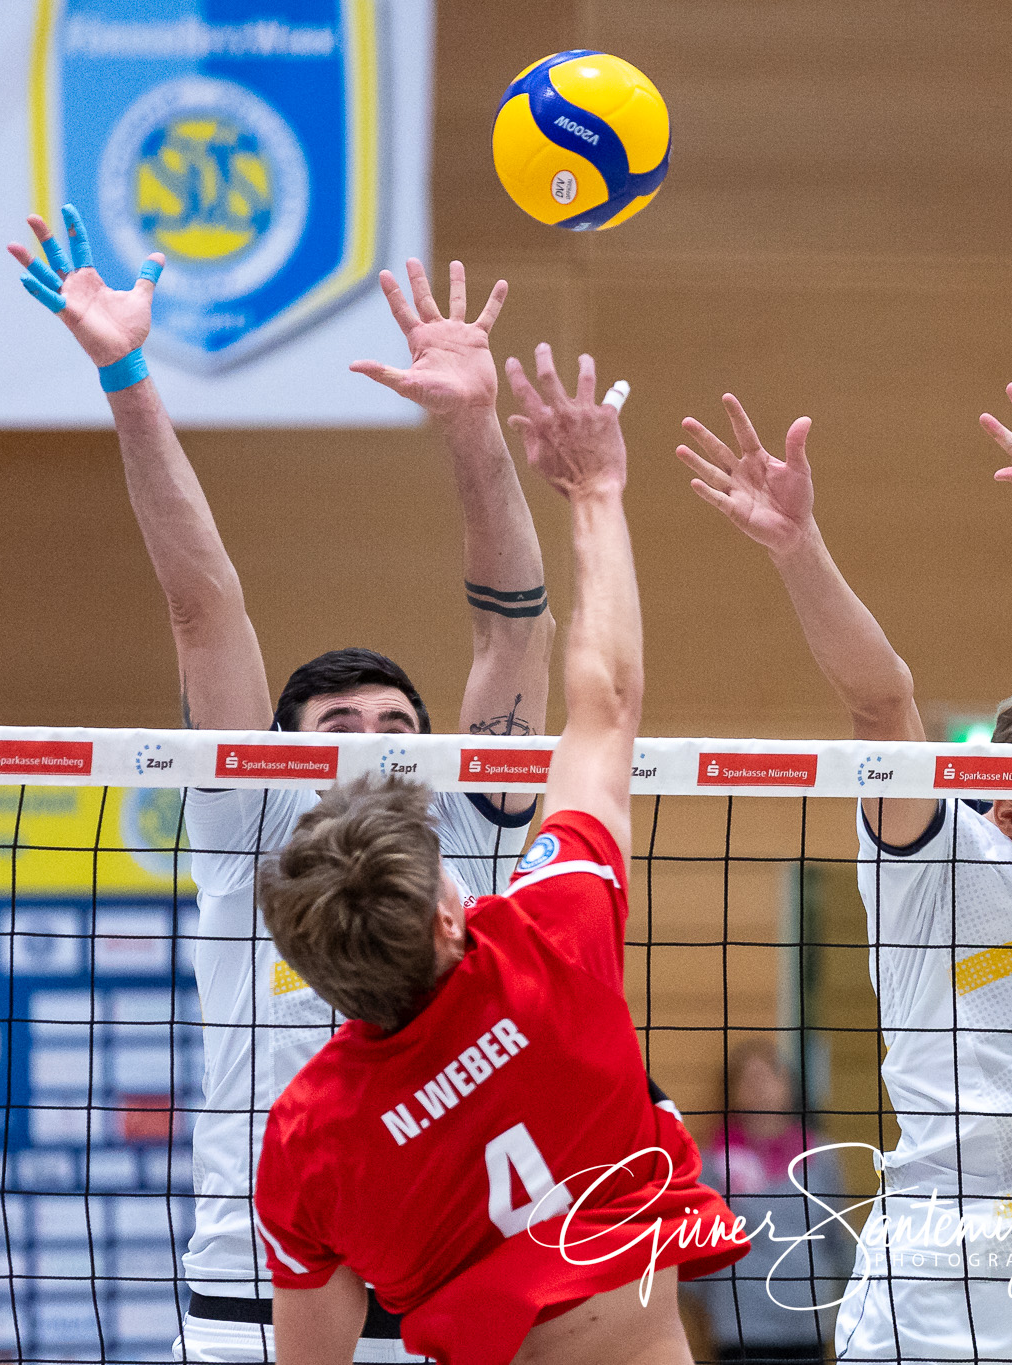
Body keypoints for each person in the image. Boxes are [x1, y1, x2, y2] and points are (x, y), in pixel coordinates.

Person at [9, 205, 554, 1360]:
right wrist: (129, 375)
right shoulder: (251, 817)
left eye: (398, 727)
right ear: (283, 748)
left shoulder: (471, 819)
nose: (371, 745)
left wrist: (472, 427)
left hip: (450, 1295)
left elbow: (512, 633)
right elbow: (202, 603)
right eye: (338, 726)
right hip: (250, 1297)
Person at [675, 379, 1012, 1362]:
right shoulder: (935, 864)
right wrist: (797, 548)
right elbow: (881, 700)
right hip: (940, 1290)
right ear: (1009, 816)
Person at [251, 344, 747, 1365]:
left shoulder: (307, 1135)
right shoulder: (547, 941)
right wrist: (595, 493)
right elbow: (604, 704)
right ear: (447, 912)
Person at [683, 1041, 847, 1364]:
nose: (760, 1087)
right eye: (749, 1079)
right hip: (739, 1330)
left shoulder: (820, 1156)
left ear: (788, 1085)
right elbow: (694, 1249)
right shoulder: (713, 1163)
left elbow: (838, 1239)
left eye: (769, 1076)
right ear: (733, 1092)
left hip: (806, 1325)